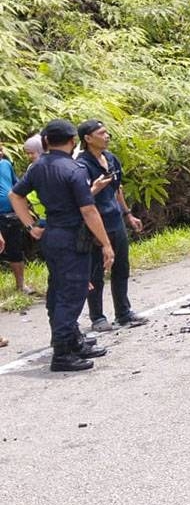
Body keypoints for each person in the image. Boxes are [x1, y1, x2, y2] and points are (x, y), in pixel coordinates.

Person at [8, 119, 114, 372]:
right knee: (72, 294)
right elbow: (88, 210)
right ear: (73, 141)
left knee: (58, 290)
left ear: (46, 141)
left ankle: (72, 341)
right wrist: (106, 243)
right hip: (71, 237)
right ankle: (63, 353)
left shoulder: (38, 166)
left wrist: (30, 226)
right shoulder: (73, 169)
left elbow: (15, 195)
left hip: (51, 235)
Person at [76, 120, 149, 331]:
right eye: (101, 133)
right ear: (88, 139)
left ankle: (123, 313)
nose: (107, 136)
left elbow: (117, 189)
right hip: (95, 225)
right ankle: (97, 317)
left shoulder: (111, 158)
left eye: (107, 132)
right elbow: (80, 199)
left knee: (121, 268)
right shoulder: (81, 165)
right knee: (96, 272)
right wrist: (95, 189)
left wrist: (128, 214)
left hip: (116, 220)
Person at [1, 145, 32, 295]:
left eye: (1, 150)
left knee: (16, 249)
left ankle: (21, 285)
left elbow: (17, 186)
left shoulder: (6, 164)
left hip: (12, 214)